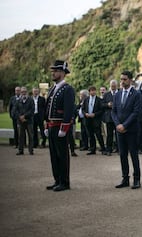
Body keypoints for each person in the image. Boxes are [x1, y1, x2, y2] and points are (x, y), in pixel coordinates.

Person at [44, 60, 75, 192]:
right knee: (53, 155)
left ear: (62, 73)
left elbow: (68, 110)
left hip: (60, 127)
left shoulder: (67, 89)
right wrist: (46, 125)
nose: (53, 73)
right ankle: (57, 180)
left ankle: (64, 182)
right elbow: (47, 109)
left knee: (62, 155)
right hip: (51, 126)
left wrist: (64, 127)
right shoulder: (53, 88)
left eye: (56, 71)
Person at [112, 70, 142, 189]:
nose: (122, 81)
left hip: (131, 130)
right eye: (121, 79)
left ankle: (137, 179)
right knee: (122, 155)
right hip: (120, 130)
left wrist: (125, 125)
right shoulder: (117, 94)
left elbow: (136, 112)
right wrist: (118, 125)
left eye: (125, 79)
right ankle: (125, 178)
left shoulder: (137, 94)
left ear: (130, 80)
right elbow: (114, 112)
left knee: (134, 155)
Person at [82, 86, 106, 155]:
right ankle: (93, 149)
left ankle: (103, 148)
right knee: (90, 135)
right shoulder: (86, 99)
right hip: (88, 119)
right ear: (89, 92)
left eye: (94, 90)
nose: (93, 92)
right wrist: (85, 114)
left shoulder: (99, 100)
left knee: (98, 134)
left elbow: (102, 110)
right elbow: (83, 109)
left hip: (96, 119)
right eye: (91, 91)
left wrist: (95, 114)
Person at [15, 87, 35, 155]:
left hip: (29, 121)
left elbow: (32, 110)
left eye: (25, 92)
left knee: (30, 136)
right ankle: (20, 150)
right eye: (22, 92)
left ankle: (31, 150)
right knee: (20, 136)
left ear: (26, 92)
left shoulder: (31, 100)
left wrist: (25, 116)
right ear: (21, 92)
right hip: (20, 121)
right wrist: (20, 117)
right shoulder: (18, 100)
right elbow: (16, 110)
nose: (23, 93)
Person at [102, 80, 118, 156]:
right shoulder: (106, 94)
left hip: (118, 117)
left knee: (118, 134)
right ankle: (109, 149)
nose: (113, 87)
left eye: (114, 85)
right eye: (112, 86)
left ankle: (119, 149)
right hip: (109, 117)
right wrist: (107, 105)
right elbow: (102, 105)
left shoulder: (120, 93)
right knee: (109, 134)